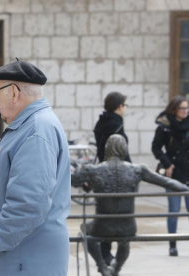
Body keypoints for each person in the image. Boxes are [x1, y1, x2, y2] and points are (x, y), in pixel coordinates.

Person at [0, 60, 71, 276]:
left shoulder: (36, 130)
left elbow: (29, 204)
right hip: (18, 258)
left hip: (20, 260)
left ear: (14, 92)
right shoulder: (30, 125)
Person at [72, 134, 189, 276]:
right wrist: (186, 189)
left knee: (85, 228)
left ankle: (102, 267)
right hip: (127, 227)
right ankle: (115, 269)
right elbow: (167, 182)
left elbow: (71, 180)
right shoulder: (138, 169)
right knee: (124, 240)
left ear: (107, 149)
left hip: (101, 226)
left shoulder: (93, 170)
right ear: (124, 150)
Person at [93, 91, 130, 265]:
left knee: (106, 211)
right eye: (125, 105)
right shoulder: (115, 124)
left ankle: (105, 251)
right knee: (116, 213)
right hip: (116, 174)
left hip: (103, 172)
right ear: (119, 106)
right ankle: (106, 252)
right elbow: (123, 153)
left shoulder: (102, 122)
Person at [152, 95, 189, 257]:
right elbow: (156, 148)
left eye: (187, 108)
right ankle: (172, 245)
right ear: (174, 109)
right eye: (182, 108)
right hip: (173, 173)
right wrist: (167, 164)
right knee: (174, 210)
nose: (185, 111)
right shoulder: (164, 126)